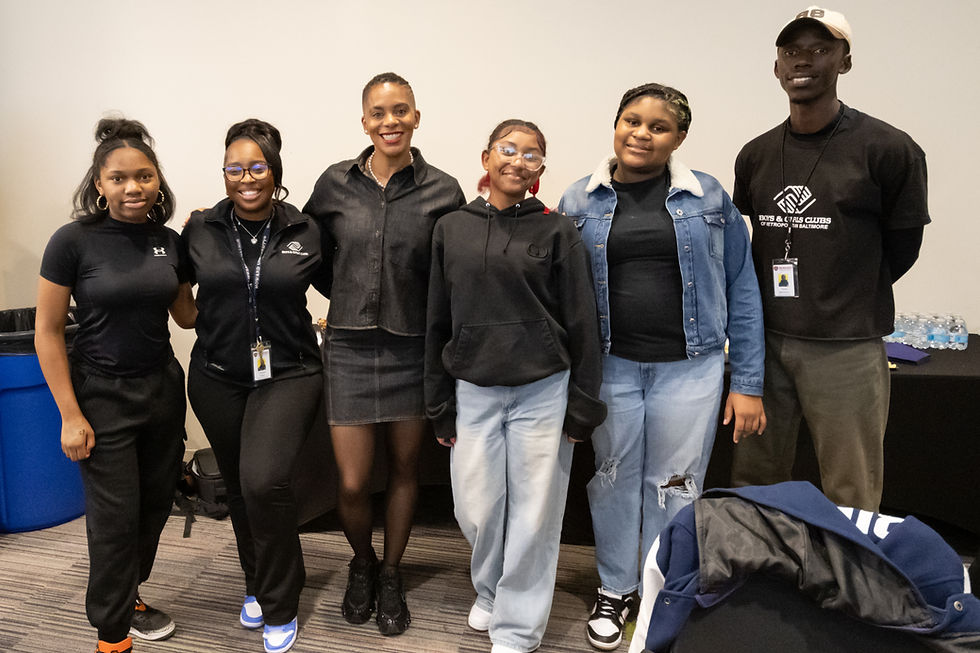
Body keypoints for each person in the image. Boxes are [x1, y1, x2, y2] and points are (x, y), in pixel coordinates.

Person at [558, 83, 766, 651]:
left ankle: (663, 588)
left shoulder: (709, 197)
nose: (641, 134)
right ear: (616, 124)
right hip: (611, 367)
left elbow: (742, 288)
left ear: (678, 138)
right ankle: (616, 588)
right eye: (631, 121)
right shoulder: (579, 200)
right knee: (612, 479)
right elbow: (558, 295)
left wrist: (747, 382)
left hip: (691, 369)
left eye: (658, 126)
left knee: (676, 485)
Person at [730, 7, 929, 512]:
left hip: (846, 346)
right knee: (755, 478)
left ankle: (851, 584)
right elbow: (752, 237)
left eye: (820, 49)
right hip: (766, 344)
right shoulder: (755, 154)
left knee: (851, 487)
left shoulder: (888, 148)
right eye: (792, 51)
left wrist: (842, 293)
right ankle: (757, 578)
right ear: (776, 67)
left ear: (844, 61)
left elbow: (901, 248)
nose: (804, 61)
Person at [426, 119, 607, 653]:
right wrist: (438, 403)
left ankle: (519, 627)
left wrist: (583, 406)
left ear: (540, 170)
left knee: (534, 514)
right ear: (486, 158)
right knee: (476, 509)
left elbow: (583, 323)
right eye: (508, 149)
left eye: (532, 154)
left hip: (543, 391)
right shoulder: (450, 227)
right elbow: (437, 318)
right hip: (473, 390)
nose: (518, 160)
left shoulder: (557, 230)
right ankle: (490, 589)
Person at [303, 72, 465, 636]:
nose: (389, 121)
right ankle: (362, 561)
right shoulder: (333, 184)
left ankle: (391, 571)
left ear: (417, 117)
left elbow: (451, 271)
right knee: (350, 482)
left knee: (403, 469)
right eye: (378, 112)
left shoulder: (444, 190)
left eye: (401, 110)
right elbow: (308, 253)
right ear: (364, 121)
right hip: (347, 345)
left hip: (413, 348)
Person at [35, 118, 194, 653]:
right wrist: (70, 414)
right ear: (99, 184)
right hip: (101, 396)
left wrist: (207, 251)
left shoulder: (166, 241)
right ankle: (111, 634)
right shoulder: (72, 241)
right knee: (114, 519)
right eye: (120, 178)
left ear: (158, 181)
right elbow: (48, 333)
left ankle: (129, 594)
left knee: (154, 507)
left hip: (162, 390)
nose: (133, 188)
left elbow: (187, 316)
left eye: (144, 177)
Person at [182, 119, 323, 653]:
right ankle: (257, 584)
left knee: (265, 482)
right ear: (223, 173)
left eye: (257, 166)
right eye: (234, 168)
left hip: (288, 373)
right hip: (217, 376)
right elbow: (178, 295)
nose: (246, 177)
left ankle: (281, 601)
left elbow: (347, 282)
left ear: (275, 169)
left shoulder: (307, 230)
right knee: (240, 487)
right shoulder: (200, 228)